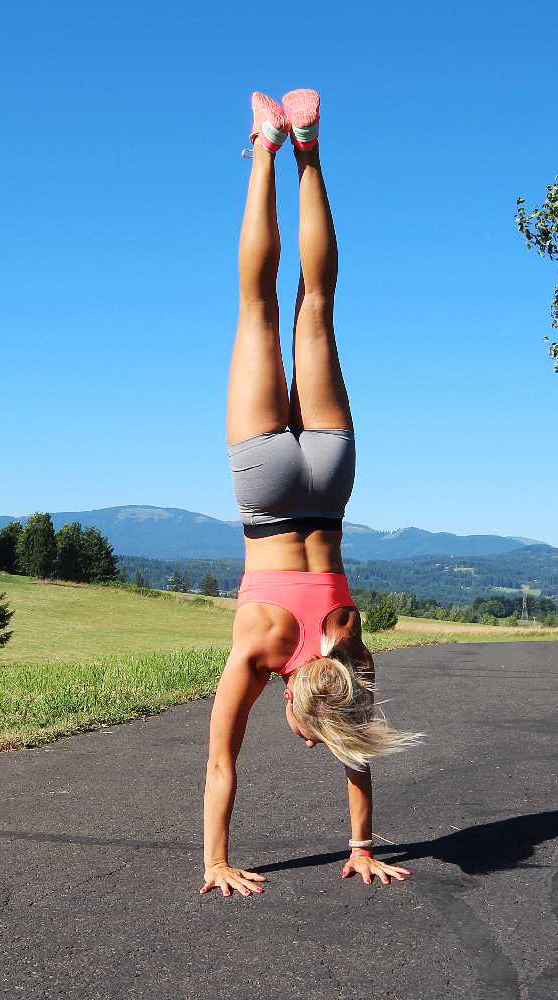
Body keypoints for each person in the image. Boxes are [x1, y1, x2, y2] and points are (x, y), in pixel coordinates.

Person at [201, 90, 423, 898]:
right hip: (265, 492)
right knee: (259, 307)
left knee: (318, 308)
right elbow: (221, 762)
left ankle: (307, 147)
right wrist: (214, 860)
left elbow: (357, 749)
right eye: (306, 732)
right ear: (294, 699)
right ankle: (263, 146)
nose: (303, 739)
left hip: (327, 485)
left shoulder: (350, 647)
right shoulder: (260, 650)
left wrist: (363, 842)